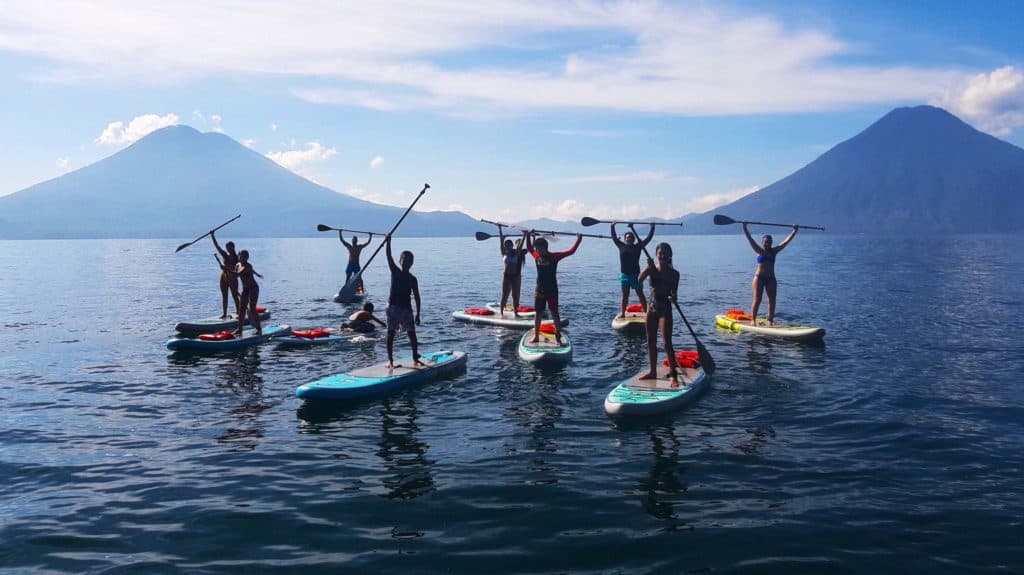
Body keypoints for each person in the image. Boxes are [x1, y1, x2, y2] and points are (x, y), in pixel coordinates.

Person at [526, 231, 582, 345]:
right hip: (539, 290)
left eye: (539, 249)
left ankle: (557, 337)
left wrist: (578, 240)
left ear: (545, 248)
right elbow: (529, 248)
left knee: (555, 313)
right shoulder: (536, 256)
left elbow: (571, 251)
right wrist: (528, 235)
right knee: (538, 313)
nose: (537, 251)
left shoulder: (554, 256)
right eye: (536, 249)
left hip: (552, 290)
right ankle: (536, 336)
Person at [637, 242, 681, 387]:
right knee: (650, 341)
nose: (662, 255)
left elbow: (674, 294)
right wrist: (648, 268)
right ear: (656, 254)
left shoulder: (675, 274)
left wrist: (673, 298)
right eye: (660, 253)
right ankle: (653, 371)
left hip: (665, 309)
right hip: (652, 307)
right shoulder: (652, 269)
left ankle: (674, 376)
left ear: (670, 255)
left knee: (667, 342)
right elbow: (639, 280)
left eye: (665, 253)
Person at [743, 222, 799, 326]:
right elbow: (750, 239)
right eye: (765, 242)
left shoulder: (774, 251)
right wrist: (745, 227)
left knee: (772, 300)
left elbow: (786, 241)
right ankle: (753, 319)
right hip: (759, 278)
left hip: (771, 279)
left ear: (771, 242)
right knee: (757, 299)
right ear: (762, 242)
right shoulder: (758, 250)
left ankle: (770, 320)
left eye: (769, 242)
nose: (767, 243)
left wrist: (794, 231)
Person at [384, 234, 422, 368]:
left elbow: (417, 297)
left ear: (412, 263)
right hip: (393, 307)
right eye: (404, 259)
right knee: (391, 333)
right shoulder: (395, 271)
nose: (406, 262)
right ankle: (390, 360)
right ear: (400, 261)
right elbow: (389, 257)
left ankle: (415, 358)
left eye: (409, 260)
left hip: (406, 309)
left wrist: (418, 314)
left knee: (412, 334)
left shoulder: (412, 279)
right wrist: (388, 242)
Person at [611, 222, 655, 318]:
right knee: (625, 296)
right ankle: (623, 313)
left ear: (633, 239)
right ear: (624, 239)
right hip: (624, 275)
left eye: (630, 237)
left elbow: (648, 239)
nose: (628, 239)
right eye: (627, 237)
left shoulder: (638, 247)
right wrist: (612, 226)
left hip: (636, 276)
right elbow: (614, 238)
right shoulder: (621, 246)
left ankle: (647, 313)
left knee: (640, 295)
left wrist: (652, 227)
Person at [498, 229, 529, 317]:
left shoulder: (516, 253)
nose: (507, 247)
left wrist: (524, 236)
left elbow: (521, 245)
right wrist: (500, 230)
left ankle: (516, 312)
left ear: (512, 246)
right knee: (505, 295)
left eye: (509, 245)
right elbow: (501, 243)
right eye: (506, 245)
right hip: (506, 276)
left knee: (516, 295)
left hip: (516, 276)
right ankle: (501, 312)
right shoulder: (504, 253)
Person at [232, 249, 263, 335]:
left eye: (245, 257)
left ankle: (259, 328)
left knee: (252, 308)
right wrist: (256, 274)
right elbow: (235, 275)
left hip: (253, 288)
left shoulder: (247, 266)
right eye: (241, 256)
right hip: (245, 289)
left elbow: (238, 274)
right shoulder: (238, 265)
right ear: (239, 256)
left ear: (247, 258)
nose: (242, 258)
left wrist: (226, 269)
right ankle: (239, 329)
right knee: (241, 309)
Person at [210, 231, 240, 319]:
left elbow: (238, 270)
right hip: (223, 276)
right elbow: (217, 246)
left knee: (235, 295)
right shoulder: (225, 255)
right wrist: (212, 235)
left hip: (233, 278)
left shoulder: (237, 258)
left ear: (233, 248)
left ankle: (239, 312)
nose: (228, 250)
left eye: (230, 248)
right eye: (227, 248)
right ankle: (224, 313)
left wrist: (232, 272)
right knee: (224, 295)